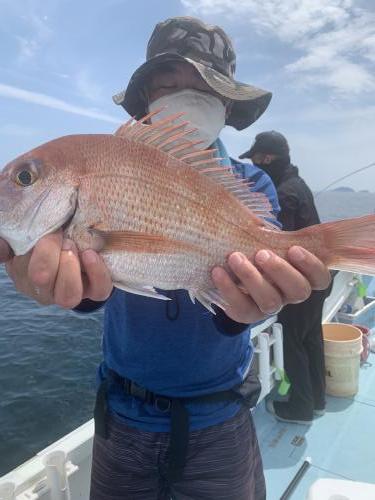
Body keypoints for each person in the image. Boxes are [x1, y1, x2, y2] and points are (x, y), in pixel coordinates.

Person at [1, 17, 332, 500]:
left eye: (204, 82)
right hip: (123, 415)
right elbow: (102, 283)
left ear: (227, 101)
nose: (187, 93)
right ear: (148, 98)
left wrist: (251, 307)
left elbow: (250, 294)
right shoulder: (113, 163)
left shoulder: (251, 185)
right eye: (170, 81)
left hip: (218, 418)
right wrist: (73, 293)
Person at [240, 130, 332, 425]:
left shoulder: (283, 193)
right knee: (311, 339)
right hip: (320, 281)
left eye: (255, 160)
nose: (254, 167)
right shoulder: (298, 184)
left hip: (300, 285)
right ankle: (318, 401)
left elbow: (277, 248)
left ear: (266, 158)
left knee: (292, 342)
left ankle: (301, 409)